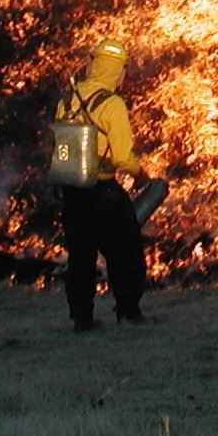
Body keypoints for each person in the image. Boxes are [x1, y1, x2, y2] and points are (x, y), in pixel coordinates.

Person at [53, 37, 151, 332]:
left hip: (72, 189)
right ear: (118, 71)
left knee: (80, 257)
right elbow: (122, 157)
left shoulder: (67, 99)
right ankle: (129, 312)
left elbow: (60, 144)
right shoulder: (112, 104)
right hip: (103, 191)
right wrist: (141, 174)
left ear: (92, 64)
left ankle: (82, 318)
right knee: (126, 252)